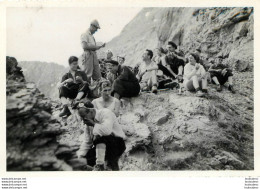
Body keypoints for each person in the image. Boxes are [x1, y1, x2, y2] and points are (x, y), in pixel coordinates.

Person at [76, 101, 126, 171]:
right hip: (101, 147)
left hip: (117, 144)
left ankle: (100, 165)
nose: (83, 120)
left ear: (91, 111)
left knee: (99, 137)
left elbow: (107, 131)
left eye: (83, 116)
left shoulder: (105, 112)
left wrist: (93, 124)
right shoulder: (88, 123)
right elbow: (87, 142)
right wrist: (81, 155)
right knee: (83, 161)